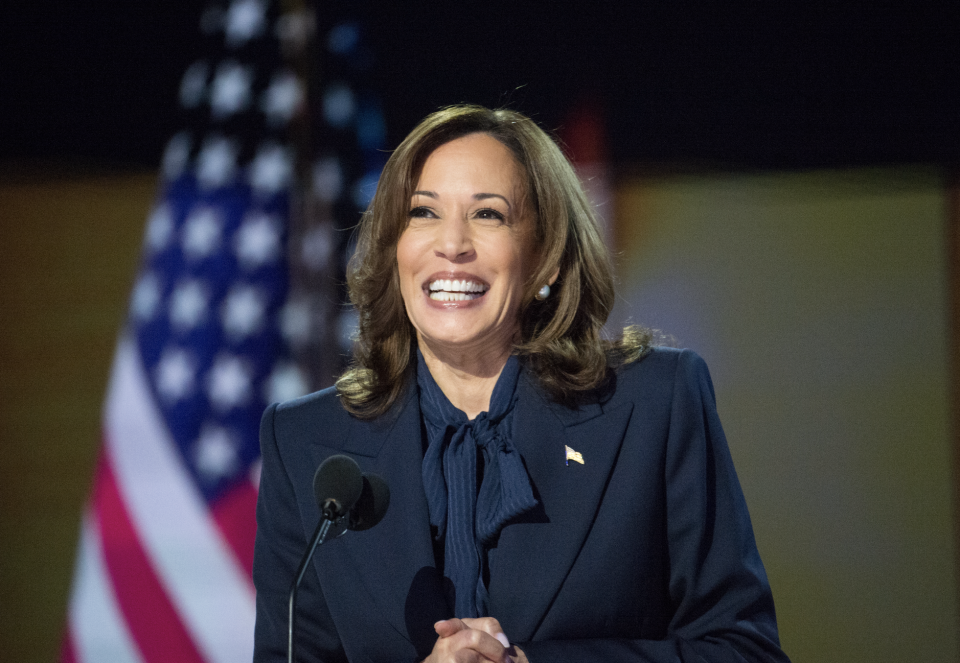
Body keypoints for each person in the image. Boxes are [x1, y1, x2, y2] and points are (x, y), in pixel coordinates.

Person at [253, 105, 790, 663]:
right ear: (394, 249)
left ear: (547, 260)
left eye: (488, 215)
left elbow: (743, 650)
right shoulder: (306, 441)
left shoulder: (656, 403)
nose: (452, 244)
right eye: (423, 213)